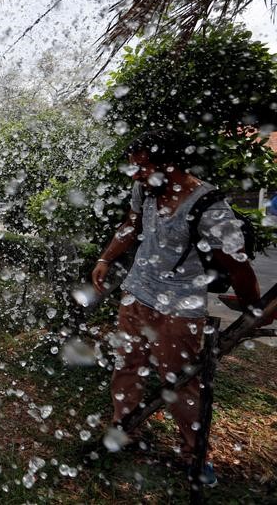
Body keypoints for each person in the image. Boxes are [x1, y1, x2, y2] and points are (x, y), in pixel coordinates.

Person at [91, 130, 260, 482]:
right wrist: (106, 258)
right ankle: (125, 430)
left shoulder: (208, 208)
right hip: (136, 294)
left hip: (179, 309)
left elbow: (238, 265)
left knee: (180, 382)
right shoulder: (146, 190)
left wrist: (252, 309)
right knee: (127, 366)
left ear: (170, 166)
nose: (135, 174)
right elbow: (131, 225)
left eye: (143, 167)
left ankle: (195, 456)